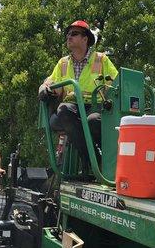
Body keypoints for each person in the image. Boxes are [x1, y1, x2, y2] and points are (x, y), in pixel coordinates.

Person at [38, 19, 118, 172]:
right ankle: (93, 159)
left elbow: (116, 86)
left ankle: (109, 163)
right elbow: (51, 82)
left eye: (74, 34)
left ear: (85, 39)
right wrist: (43, 87)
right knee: (62, 112)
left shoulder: (101, 59)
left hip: (94, 107)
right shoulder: (63, 63)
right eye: (68, 34)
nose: (69, 37)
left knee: (93, 121)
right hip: (71, 109)